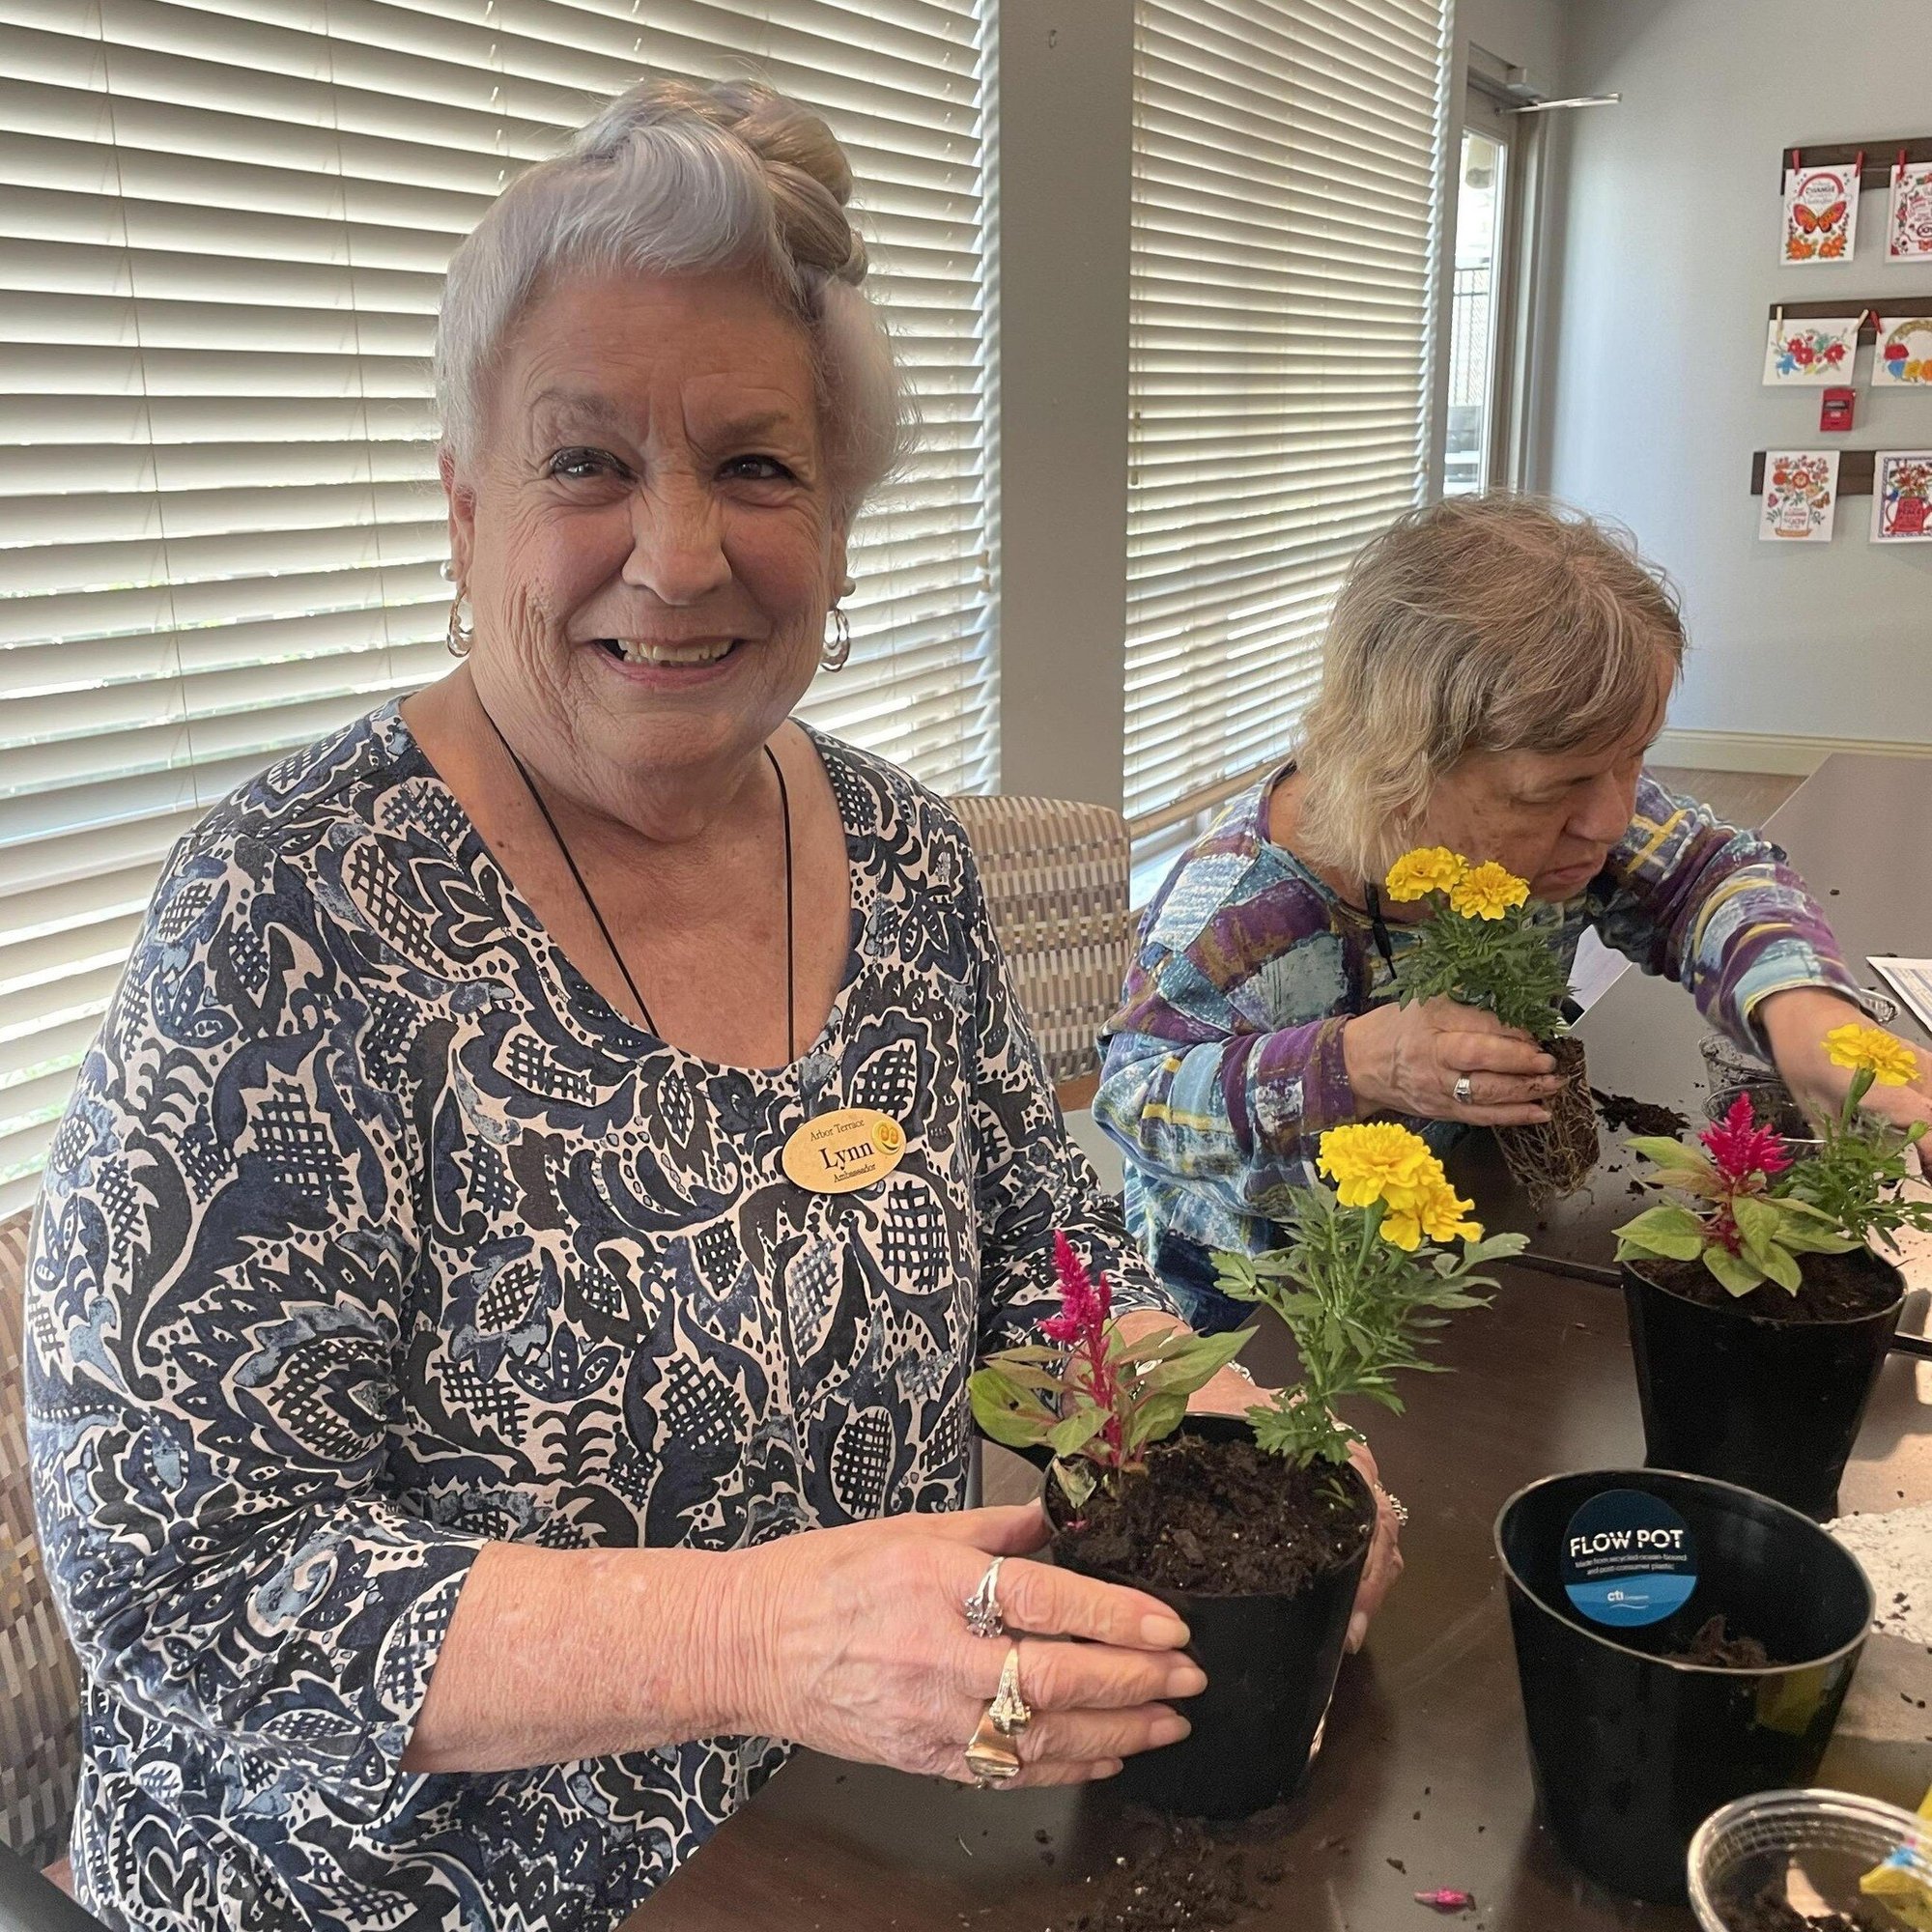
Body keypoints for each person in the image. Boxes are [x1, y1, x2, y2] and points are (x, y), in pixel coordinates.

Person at [24, 80, 1397, 1931]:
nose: (678, 556)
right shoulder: (289, 915)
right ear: (462, 510)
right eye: (586, 464)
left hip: (853, 1821)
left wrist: (1243, 1435)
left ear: (837, 516)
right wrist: (762, 1633)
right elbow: (183, 1591)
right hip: (398, 1885)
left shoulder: (905, 863)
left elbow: (1042, 1267)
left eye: (756, 466)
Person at [1095, 495, 1931, 1330]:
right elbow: (1135, 1101)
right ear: (1402, 768)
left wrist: (1803, 1013)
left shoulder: (1576, 812)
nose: (1610, 819)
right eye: (1557, 789)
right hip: (1265, 1305)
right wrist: (1352, 1063)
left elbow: (1706, 874)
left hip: (1467, 1235)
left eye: (1635, 758)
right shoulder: (1241, 909)